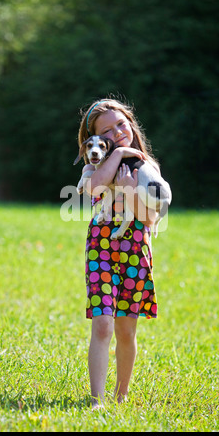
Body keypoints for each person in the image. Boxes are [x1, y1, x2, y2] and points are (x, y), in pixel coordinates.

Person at [76, 98, 170, 408]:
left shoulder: (147, 167)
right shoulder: (96, 164)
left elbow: (151, 218)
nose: (117, 132)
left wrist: (130, 189)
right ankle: (96, 400)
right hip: (101, 249)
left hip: (134, 251)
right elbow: (94, 188)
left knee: (126, 330)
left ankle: (122, 393)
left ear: (130, 123)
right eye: (108, 131)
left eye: (120, 124)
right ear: (96, 139)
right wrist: (117, 153)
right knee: (102, 324)